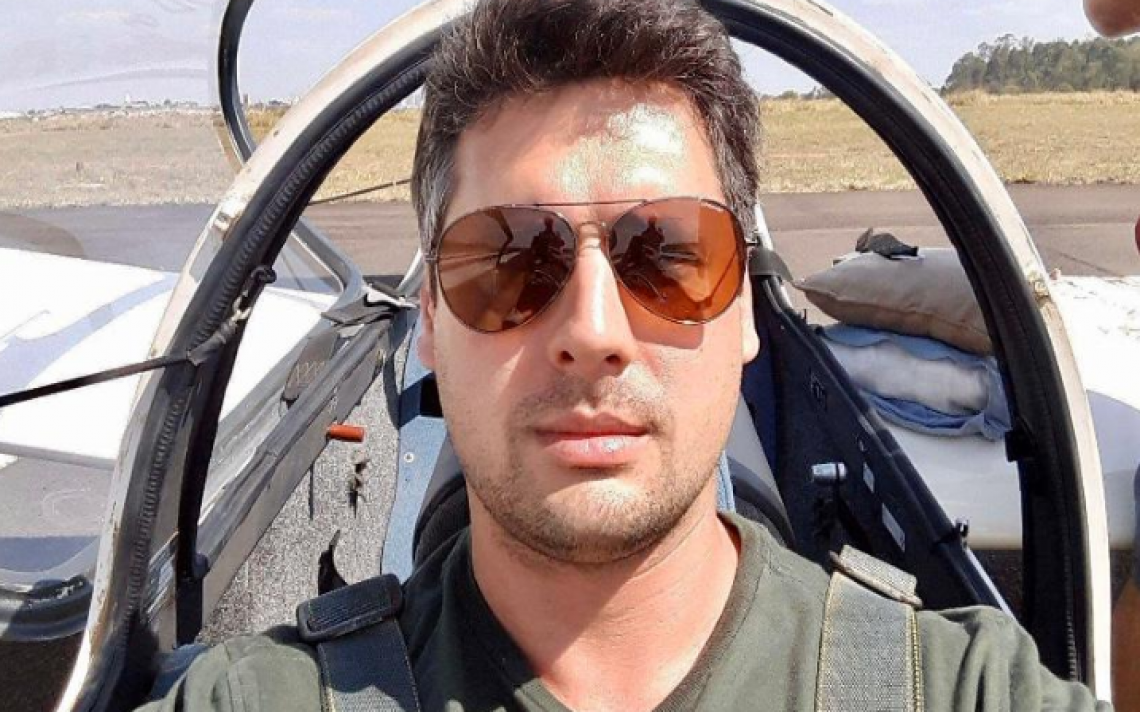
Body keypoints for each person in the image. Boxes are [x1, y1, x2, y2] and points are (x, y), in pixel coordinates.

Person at [142, 0, 1110, 709]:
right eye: (509, 259)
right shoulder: (255, 697)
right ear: (428, 315)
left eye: (670, 255)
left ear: (745, 311)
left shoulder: (966, 688)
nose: (593, 331)